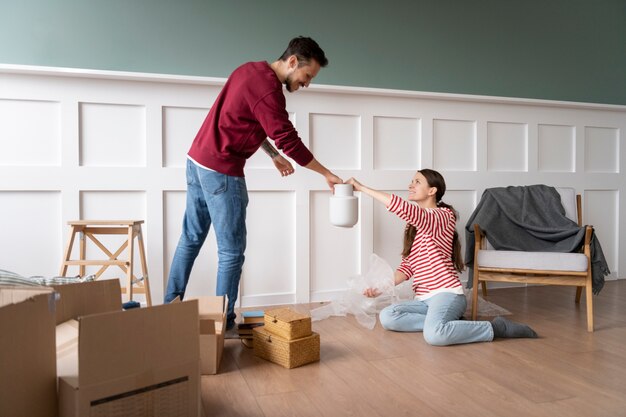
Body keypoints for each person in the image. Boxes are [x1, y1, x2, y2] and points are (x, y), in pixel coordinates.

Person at [165, 37, 343, 331]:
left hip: (196, 161)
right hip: (221, 170)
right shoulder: (270, 91)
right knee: (231, 252)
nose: (307, 84)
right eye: (307, 76)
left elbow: (246, 120)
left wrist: (273, 156)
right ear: (293, 61)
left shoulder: (248, 70)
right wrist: (326, 173)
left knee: (190, 239)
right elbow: (289, 140)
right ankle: (224, 324)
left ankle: (168, 308)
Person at [346, 169, 538, 346]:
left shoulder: (443, 216)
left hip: (446, 294)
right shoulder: (414, 226)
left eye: (417, 182)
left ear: (432, 191)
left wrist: (362, 188)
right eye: (411, 181)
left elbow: (404, 208)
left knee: (435, 335)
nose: (410, 185)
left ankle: (495, 328)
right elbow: (407, 268)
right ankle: (450, 323)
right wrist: (379, 288)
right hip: (423, 300)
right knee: (388, 316)